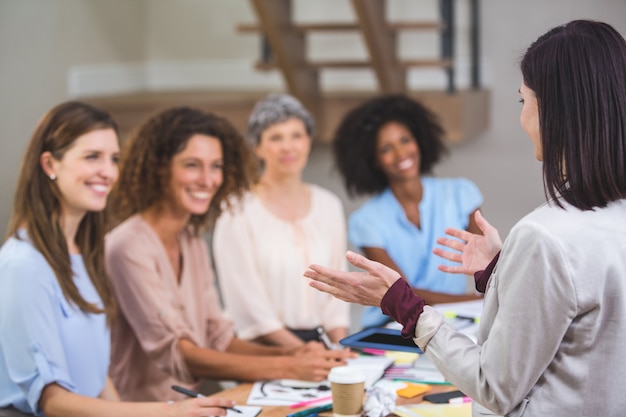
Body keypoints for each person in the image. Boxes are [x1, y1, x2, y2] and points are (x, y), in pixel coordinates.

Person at [305, 20, 626, 416]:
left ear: (553, 111)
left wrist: (408, 308)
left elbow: (493, 386)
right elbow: (583, 329)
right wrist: (501, 272)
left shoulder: (544, 236)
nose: (522, 116)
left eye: (523, 100)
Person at [0, 101, 235, 417]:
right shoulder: (24, 265)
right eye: (92, 157)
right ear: (50, 164)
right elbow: (52, 401)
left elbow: (98, 380)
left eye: (114, 159)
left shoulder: (82, 257)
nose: (108, 172)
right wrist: (170, 412)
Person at [105, 106, 353, 402]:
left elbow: (217, 337)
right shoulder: (127, 247)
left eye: (216, 166)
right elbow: (179, 354)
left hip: (187, 404)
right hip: (137, 408)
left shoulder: (192, 241)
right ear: (160, 167)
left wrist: (294, 351)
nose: (208, 179)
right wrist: (288, 365)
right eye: (192, 165)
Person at [332, 94, 484, 328]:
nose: (401, 153)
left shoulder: (461, 194)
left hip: (452, 323)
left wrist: (484, 301)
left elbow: (487, 267)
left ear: (419, 140)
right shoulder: (367, 220)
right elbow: (401, 295)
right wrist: (472, 302)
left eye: (405, 140)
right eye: (386, 148)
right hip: (392, 329)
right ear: (373, 160)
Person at [213, 93, 350, 348]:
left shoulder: (329, 205)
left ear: (308, 141)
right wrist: (302, 353)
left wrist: (341, 348)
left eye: (296, 136)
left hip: (320, 346)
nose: (288, 147)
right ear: (258, 147)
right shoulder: (236, 210)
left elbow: (337, 288)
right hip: (260, 347)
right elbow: (247, 304)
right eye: (276, 138)